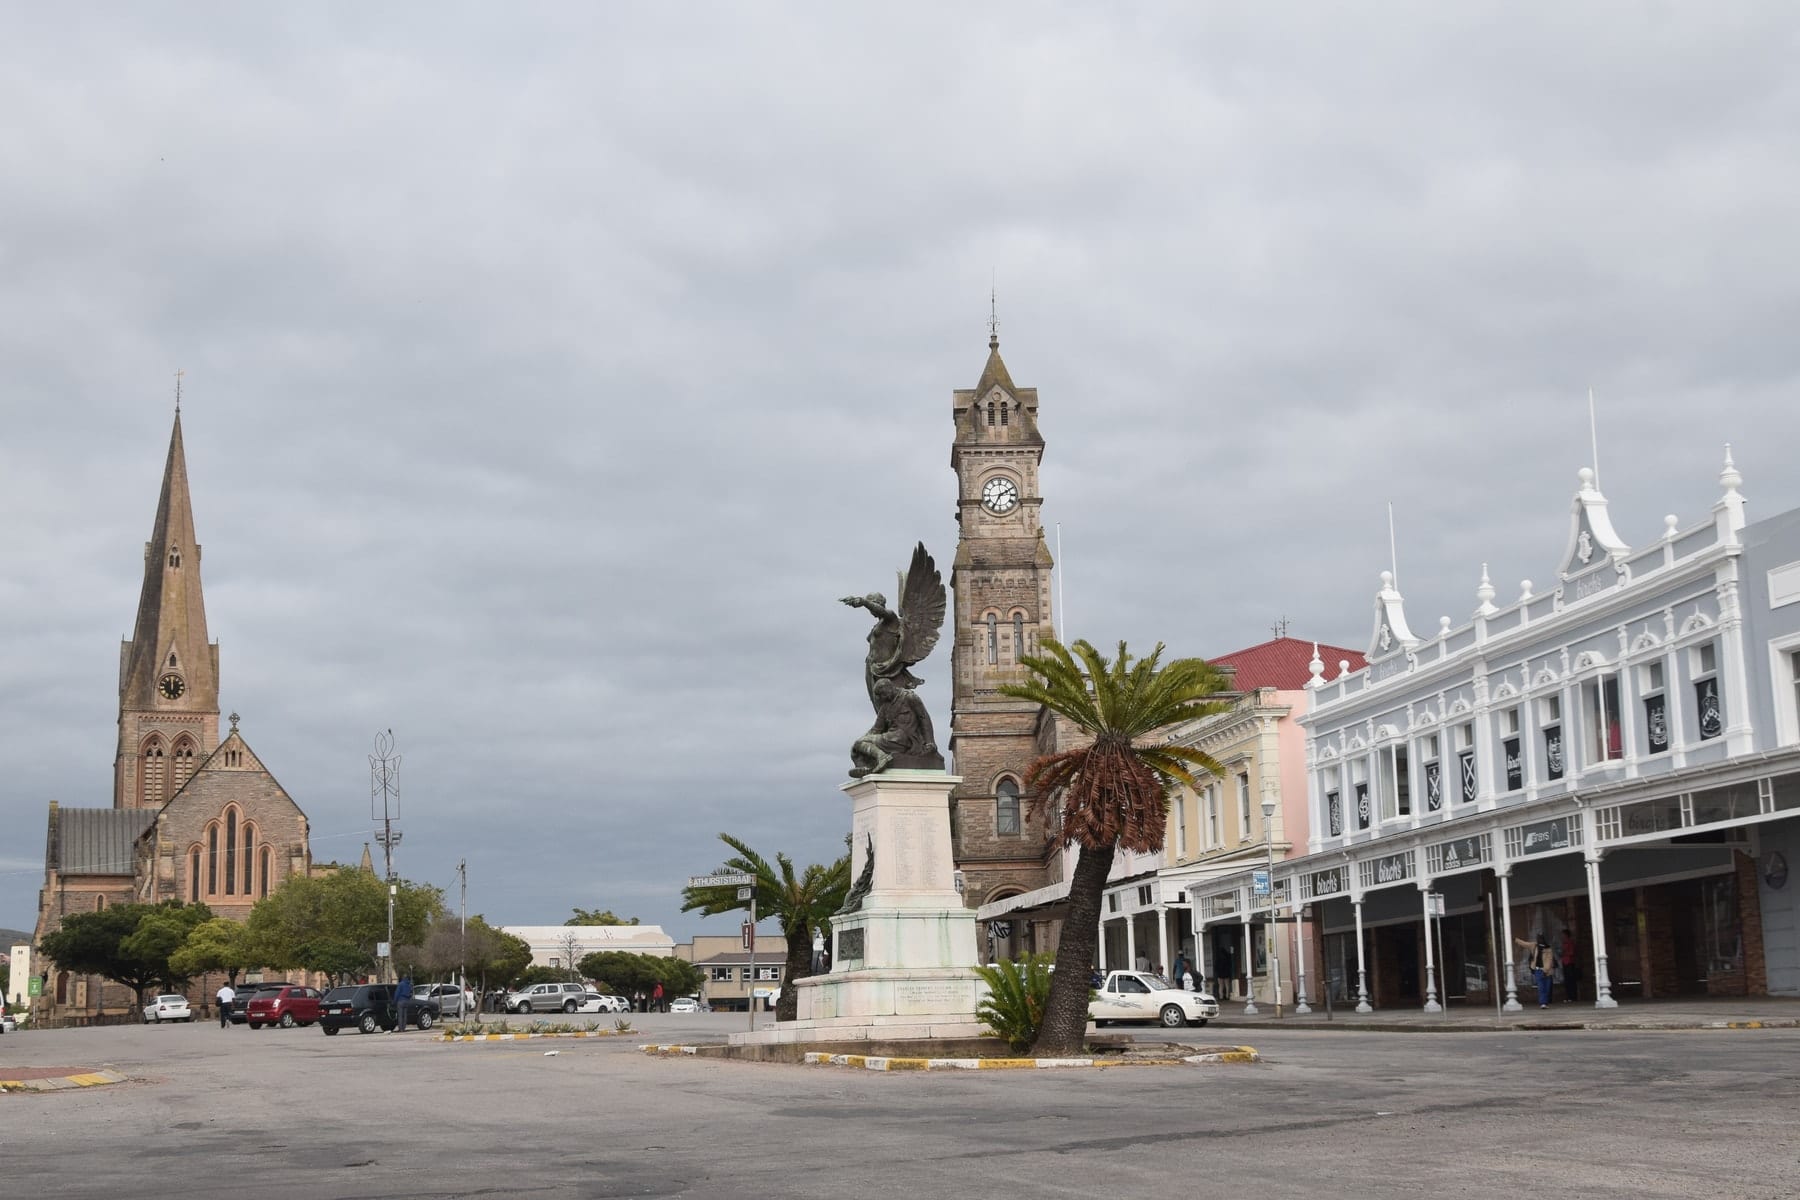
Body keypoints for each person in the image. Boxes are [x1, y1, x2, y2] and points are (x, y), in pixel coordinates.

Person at [1514, 935, 1556, 1009]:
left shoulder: (1548, 949)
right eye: (1538, 939)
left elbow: (1549, 960)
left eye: (1540, 939)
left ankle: (1545, 1001)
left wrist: (1545, 970)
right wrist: (1516, 939)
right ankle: (1543, 1003)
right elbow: (1525, 944)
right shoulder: (1534, 946)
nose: (1539, 940)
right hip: (1538, 970)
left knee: (1547, 988)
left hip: (1547, 971)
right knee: (1541, 987)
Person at [1560, 928, 1581, 1003]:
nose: (1562, 936)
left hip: (1570, 962)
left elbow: (1572, 953)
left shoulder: (1570, 942)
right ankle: (1568, 996)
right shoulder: (1564, 943)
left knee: (1571, 980)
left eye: (1563, 934)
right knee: (1567, 980)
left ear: (1566, 935)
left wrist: (1563, 953)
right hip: (1565, 962)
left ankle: (1573, 997)